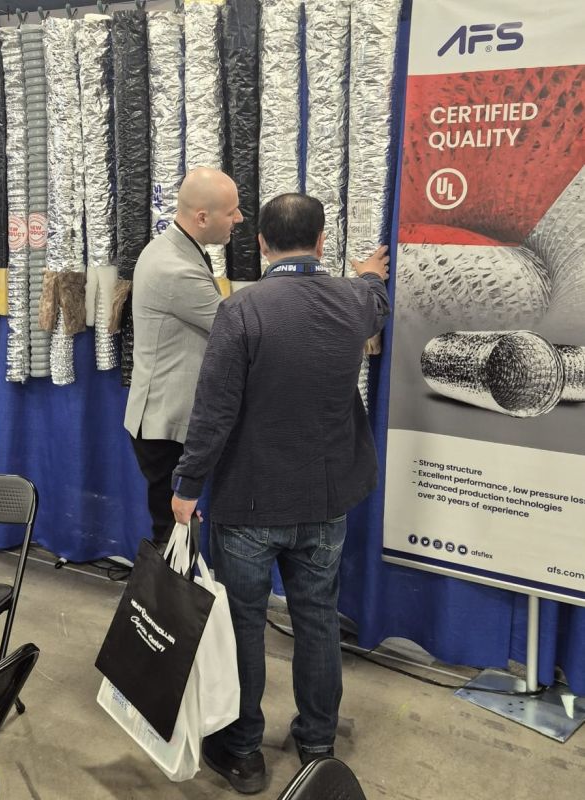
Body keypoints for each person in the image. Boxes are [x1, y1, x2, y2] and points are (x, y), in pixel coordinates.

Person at [171, 193, 390, 794]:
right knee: (317, 620)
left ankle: (243, 753)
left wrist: (187, 486)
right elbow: (376, 301)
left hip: (249, 503)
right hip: (324, 503)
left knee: (244, 625)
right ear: (321, 242)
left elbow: (213, 412)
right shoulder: (354, 302)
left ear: (261, 244)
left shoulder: (241, 311)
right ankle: (318, 746)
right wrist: (370, 275)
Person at [125, 167, 243, 552]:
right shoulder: (175, 269)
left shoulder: (172, 249)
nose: (239, 219)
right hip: (165, 427)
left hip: (162, 421)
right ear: (202, 218)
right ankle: (163, 594)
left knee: (178, 537)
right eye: (232, 211)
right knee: (173, 542)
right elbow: (236, 330)